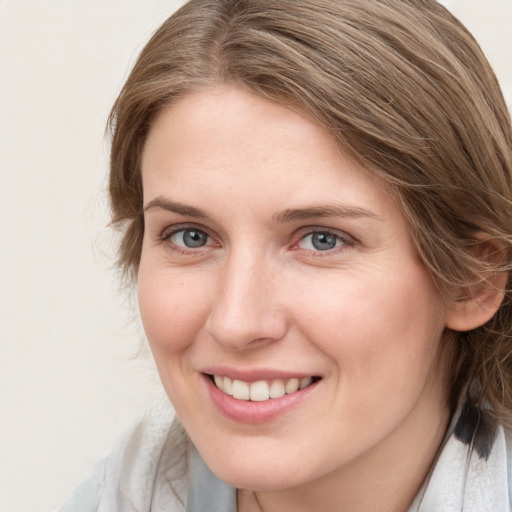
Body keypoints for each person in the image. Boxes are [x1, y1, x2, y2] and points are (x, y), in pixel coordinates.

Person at [59, 0, 512, 510]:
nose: (235, 322)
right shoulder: (118, 491)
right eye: (190, 236)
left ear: (474, 277)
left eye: (322, 239)